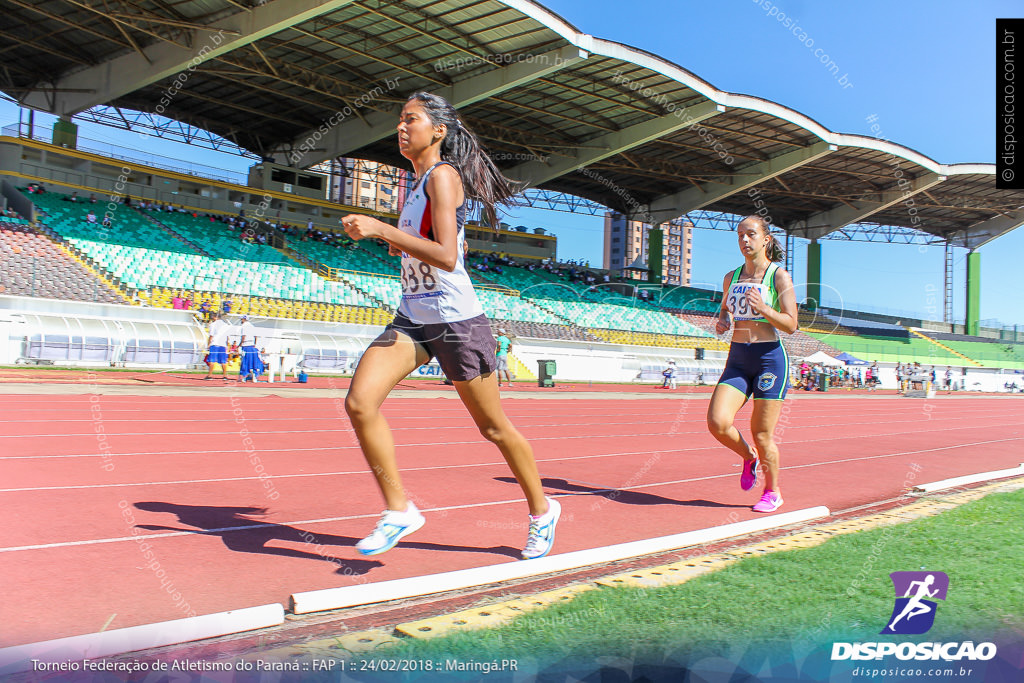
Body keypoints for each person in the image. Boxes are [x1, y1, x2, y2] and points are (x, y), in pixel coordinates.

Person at [341, 91, 559, 560]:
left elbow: (446, 256)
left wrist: (381, 230)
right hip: (413, 317)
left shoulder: (443, 177)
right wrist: (390, 237)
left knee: (494, 429)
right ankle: (399, 510)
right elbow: (419, 247)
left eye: (411, 120)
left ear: (438, 130)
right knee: (360, 402)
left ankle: (543, 511)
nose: (401, 128)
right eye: (399, 121)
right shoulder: (415, 182)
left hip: (457, 322)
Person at [707, 215, 797, 513]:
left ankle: (773, 492)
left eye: (751, 234)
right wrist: (723, 321)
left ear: (765, 239)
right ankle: (748, 458)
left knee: (762, 433)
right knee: (718, 423)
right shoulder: (731, 277)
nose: (745, 240)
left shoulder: (778, 276)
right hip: (738, 358)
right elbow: (724, 310)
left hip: (769, 358)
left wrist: (764, 309)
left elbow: (791, 324)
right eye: (740, 236)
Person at [238, 315, 264, 383]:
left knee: (245, 362)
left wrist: (239, 345)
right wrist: (254, 344)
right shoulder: (252, 326)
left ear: (244, 319)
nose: (241, 321)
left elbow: (243, 337)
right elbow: (255, 337)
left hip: (246, 346)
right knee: (253, 362)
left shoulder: (244, 327)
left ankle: (245, 376)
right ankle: (254, 376)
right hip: (252, 346)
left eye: (241, 319)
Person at [205, 313, 231, 380]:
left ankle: (210, 375)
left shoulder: (213, 325)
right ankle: (225, 375)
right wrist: (227, 345)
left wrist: (208, 344)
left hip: (215, 343)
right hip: (223, 345)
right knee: (223, 361)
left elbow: (211, 335)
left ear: (215, 317)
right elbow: (228, 337)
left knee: (212, 360)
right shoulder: (226, 325)